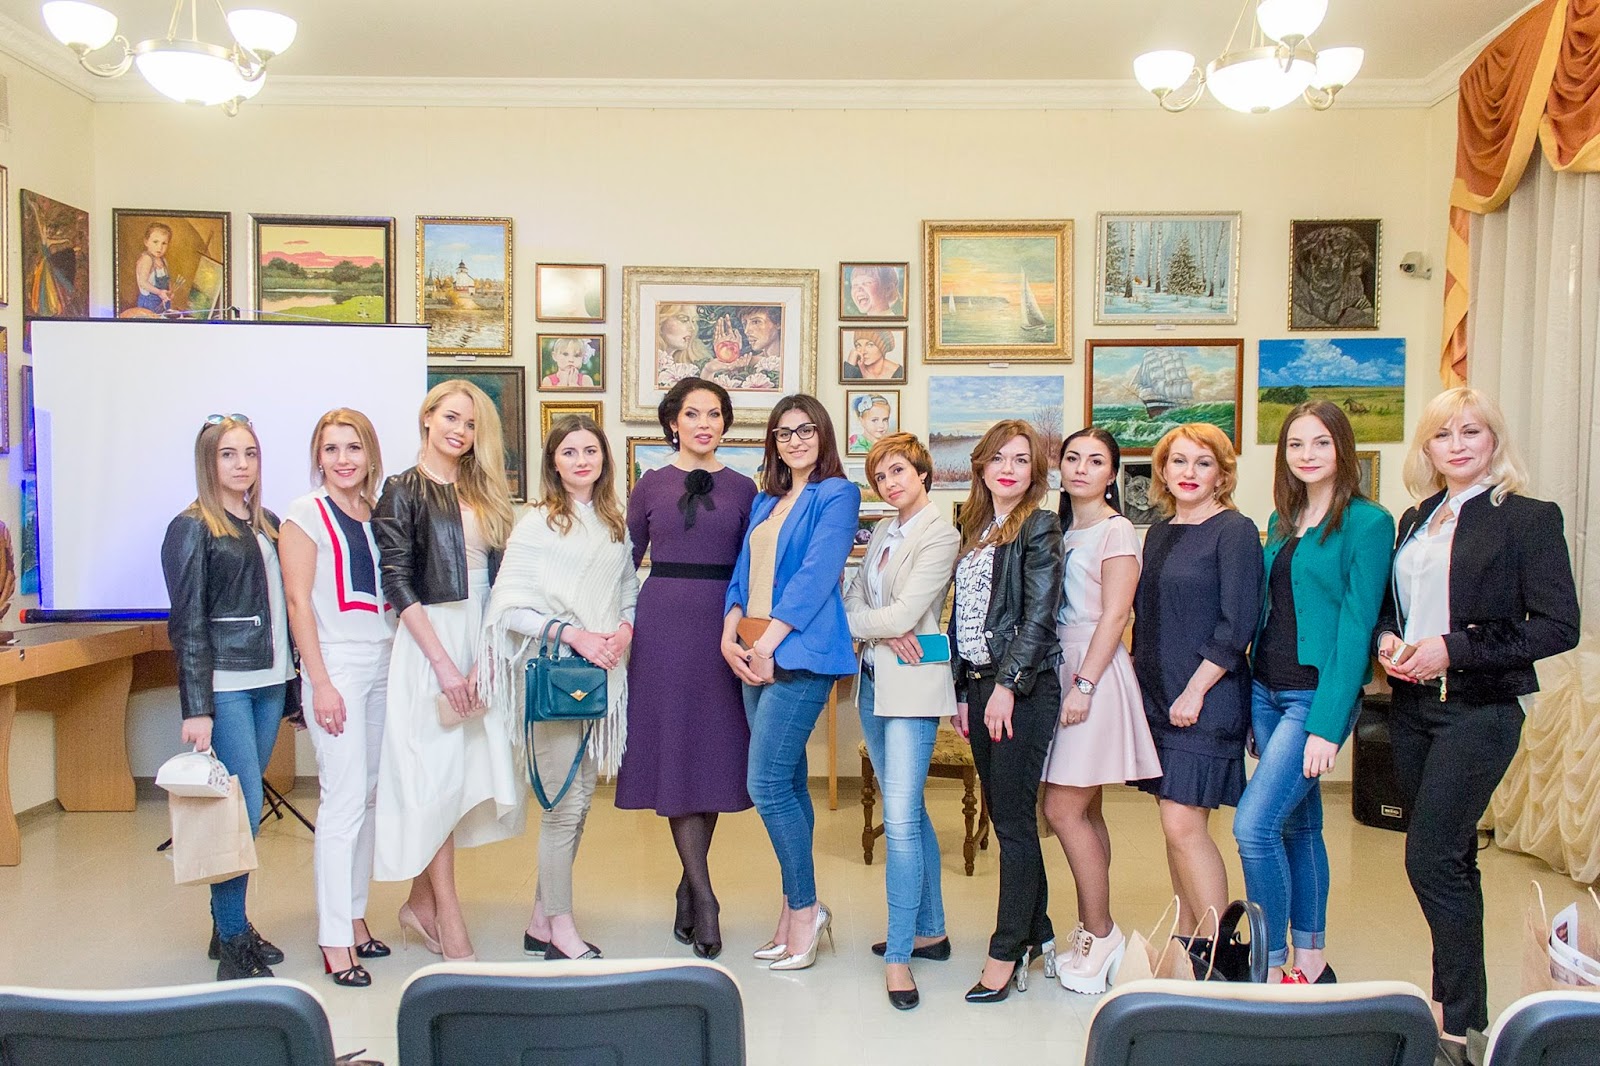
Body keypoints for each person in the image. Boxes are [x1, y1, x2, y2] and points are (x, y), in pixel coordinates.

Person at [1375, 387, 1579, 1059]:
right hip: (1412, 709)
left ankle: (1456, 1020)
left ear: (1494, 440)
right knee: (1454, 858)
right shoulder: (1416, 518)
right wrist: (1387, 640)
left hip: (1480, 711)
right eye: (1443, 434)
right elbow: (1396, 607)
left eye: (1471, 431)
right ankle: (1461, 1019)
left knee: (1430, 857)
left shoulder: (1527, 518)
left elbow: (1558, 626)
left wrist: (1453, 648)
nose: (1457, 444)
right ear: (1427, 447)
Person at [1233, 402, 1393, 986]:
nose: (1307, 455)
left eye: (1321, 442)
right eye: (1296, 444)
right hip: (1266, 690)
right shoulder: (1282, 520)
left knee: (1253, 827)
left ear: (1342, 448)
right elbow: (1268, 612)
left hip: (1313, 697)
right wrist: (1249, 696)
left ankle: (1270, 965)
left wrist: (1328, 723)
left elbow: (1357, 627)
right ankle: (1311, 959)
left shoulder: (1369, 523)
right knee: (1299, 827)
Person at [372, 380, 524, 962]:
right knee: (433, 779)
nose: (460, 431)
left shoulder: (483, 491)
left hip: (480, 640)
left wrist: (487, 654)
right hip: (428, 644)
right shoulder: (401, 489)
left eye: (471, 424)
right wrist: (443, 666)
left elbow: (501, 582)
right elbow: (396, 581)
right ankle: (448, 914)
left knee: (460, 778)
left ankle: (420, 905)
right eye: (452, 418)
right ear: (428, 417)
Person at [478, 415, 640, 962]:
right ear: (554, 462)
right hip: (553, 674)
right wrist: (574, 635)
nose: (581, 460)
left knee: (581, 801)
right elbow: (508, 607)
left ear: (604, 458)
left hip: (600, 674)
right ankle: (563, 931)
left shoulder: (614, 523)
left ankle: (540, 921)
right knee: (562, 806)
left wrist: (622, 631)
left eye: (590, 450)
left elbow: (627, 590)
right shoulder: (537, 524)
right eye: (569, 452)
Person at [615, 378, 756, 961]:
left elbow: (753, 567)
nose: (704, 424)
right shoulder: (649, 484)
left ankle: (687, 888)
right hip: (663, 626)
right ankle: (706, 897)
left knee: (711, 755)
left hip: (723, 627)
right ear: (673, 421)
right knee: (676, 750)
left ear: (725, 423)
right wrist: (614, 627)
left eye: (714, 414)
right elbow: (624, 562)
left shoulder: (746, 487)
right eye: (692, 414)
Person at [723, 394, 858, 971]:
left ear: (822, 435)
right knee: (791, 784)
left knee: (766, 785)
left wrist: (766, 645)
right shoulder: (765, 501)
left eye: (805, 430)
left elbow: (815, 577)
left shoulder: (837, 494)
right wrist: (729, 635)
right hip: (750, 647)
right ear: (773, 443)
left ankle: (805, 911)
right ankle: (792, 909)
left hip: (798, 654)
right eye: (783, 433)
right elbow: (741, 576)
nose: (795, 440)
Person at [160, 413, 296, 981]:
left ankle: (227, 927)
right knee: (238, 813)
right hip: (226, 685)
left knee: (241, 809)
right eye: (228, 454)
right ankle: (235, 937)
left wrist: (294, 687)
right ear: (208, 462)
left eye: (250, 453)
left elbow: (286, 608)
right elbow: (187, 623)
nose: (242, 465)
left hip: (270, 680)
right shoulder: (192, 527)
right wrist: (197, 707)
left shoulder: (269, 524)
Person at [1041, 427, 1161, 995]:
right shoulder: (1062, 529)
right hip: (1060, 665)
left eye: (1095, 461)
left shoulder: (1117, 531)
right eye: (1073, 458)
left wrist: (1084, 684)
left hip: (1093, 670)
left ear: (1113, 474)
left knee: (1062, 808)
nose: (1081, 469)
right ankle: (1094, 929)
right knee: (1085, 810)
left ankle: (1101, 933)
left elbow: (1116, 615)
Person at [1132, 423, 1263, 940]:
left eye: (1203, 463)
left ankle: (1217, 950)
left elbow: (1237, 625)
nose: (1189, 472)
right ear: (1162, 471)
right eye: (1179, 461)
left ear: (1221, 474)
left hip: (1206, 699)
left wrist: (1194, 690)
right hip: (1159, 698)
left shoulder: (1235, 531)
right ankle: (1187, 942)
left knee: (1183, 826)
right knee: (1173, 831)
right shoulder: (1159, 532)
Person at [949, 420, 1065, 1004]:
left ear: (1035, 471)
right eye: (999, 458)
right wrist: (960, 689)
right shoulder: (976, 527)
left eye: (1021, 459)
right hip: (978, 687)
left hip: (1019, 690)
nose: (1009, 469)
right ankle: (1037, 931)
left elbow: (1040, 616)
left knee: (1015, 824)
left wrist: (1007, 686)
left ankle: (1005, 950)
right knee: (1006, 817)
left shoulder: (1039, 525)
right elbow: (962, 615)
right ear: (982, 465)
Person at [844, 432, 960, 1010]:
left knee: (899, 821)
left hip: (912, 689)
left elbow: (907, 612)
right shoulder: (885, 532)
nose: (889, 483)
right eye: (880, 476)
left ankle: (898, 954)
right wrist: (883, 628)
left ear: (922, 473)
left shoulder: (941, 534)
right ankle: (931, 931)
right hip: (872, 681)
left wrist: (882, 625)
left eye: (898, 471)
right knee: (909, 810)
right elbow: (852, 601)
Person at [279, 408, 395, 988]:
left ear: (370, 454)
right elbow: (298, 601)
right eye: (331, 449)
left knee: (369, 797)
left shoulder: (377, 513)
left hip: (384, 659)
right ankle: (333, 938)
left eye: (353, 447)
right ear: (318, 457)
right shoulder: (305, 513)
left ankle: (354, 916)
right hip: (337, 665)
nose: (343, 459)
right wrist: (319, 681)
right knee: (342, 802)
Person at [134, 221, 173, 314]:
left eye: (164, 243)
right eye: (155, 242)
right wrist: (160, 292)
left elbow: (168, 280)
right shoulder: (147, 259)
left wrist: (170, 292)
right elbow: (143, 283)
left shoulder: (163, 260)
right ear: (146, 242)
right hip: (149, 303)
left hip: (163, 300)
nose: (160, 247)